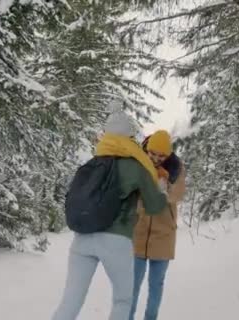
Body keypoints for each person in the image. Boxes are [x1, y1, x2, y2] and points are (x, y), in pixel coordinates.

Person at [52, 111, 168, 320]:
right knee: (122, 300)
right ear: (129, 139)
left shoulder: (91, 164)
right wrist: (161, 190)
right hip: (116, 240)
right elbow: (154, 207)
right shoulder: (135, 166)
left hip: (82, 239)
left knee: (70, 301)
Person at [130, 130, 187, 320]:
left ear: (168, 154)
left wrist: (163, 184)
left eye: (161, 155)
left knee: (156, 285)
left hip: (163, 235)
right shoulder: (137, 163)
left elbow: (177, 195)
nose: (155, 158)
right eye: (152, 153)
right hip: (137, 234)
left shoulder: (176, 168)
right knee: (131, 285)